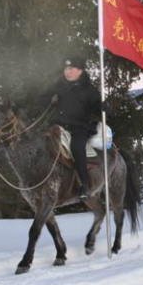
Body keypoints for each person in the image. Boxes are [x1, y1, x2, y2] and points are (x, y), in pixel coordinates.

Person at [38, 56, 103, 199]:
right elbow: (43, 98)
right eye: (66, 68)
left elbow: (97, 108)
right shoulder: (58, 85)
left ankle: (84, 184)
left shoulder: (89, 90)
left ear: (80, 71)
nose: (67, 71)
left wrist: (103, 107)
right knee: (40, 143)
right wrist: (46, 100)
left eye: (71, 69)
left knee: (77, 148)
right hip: (57, 126)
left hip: (79, 128)